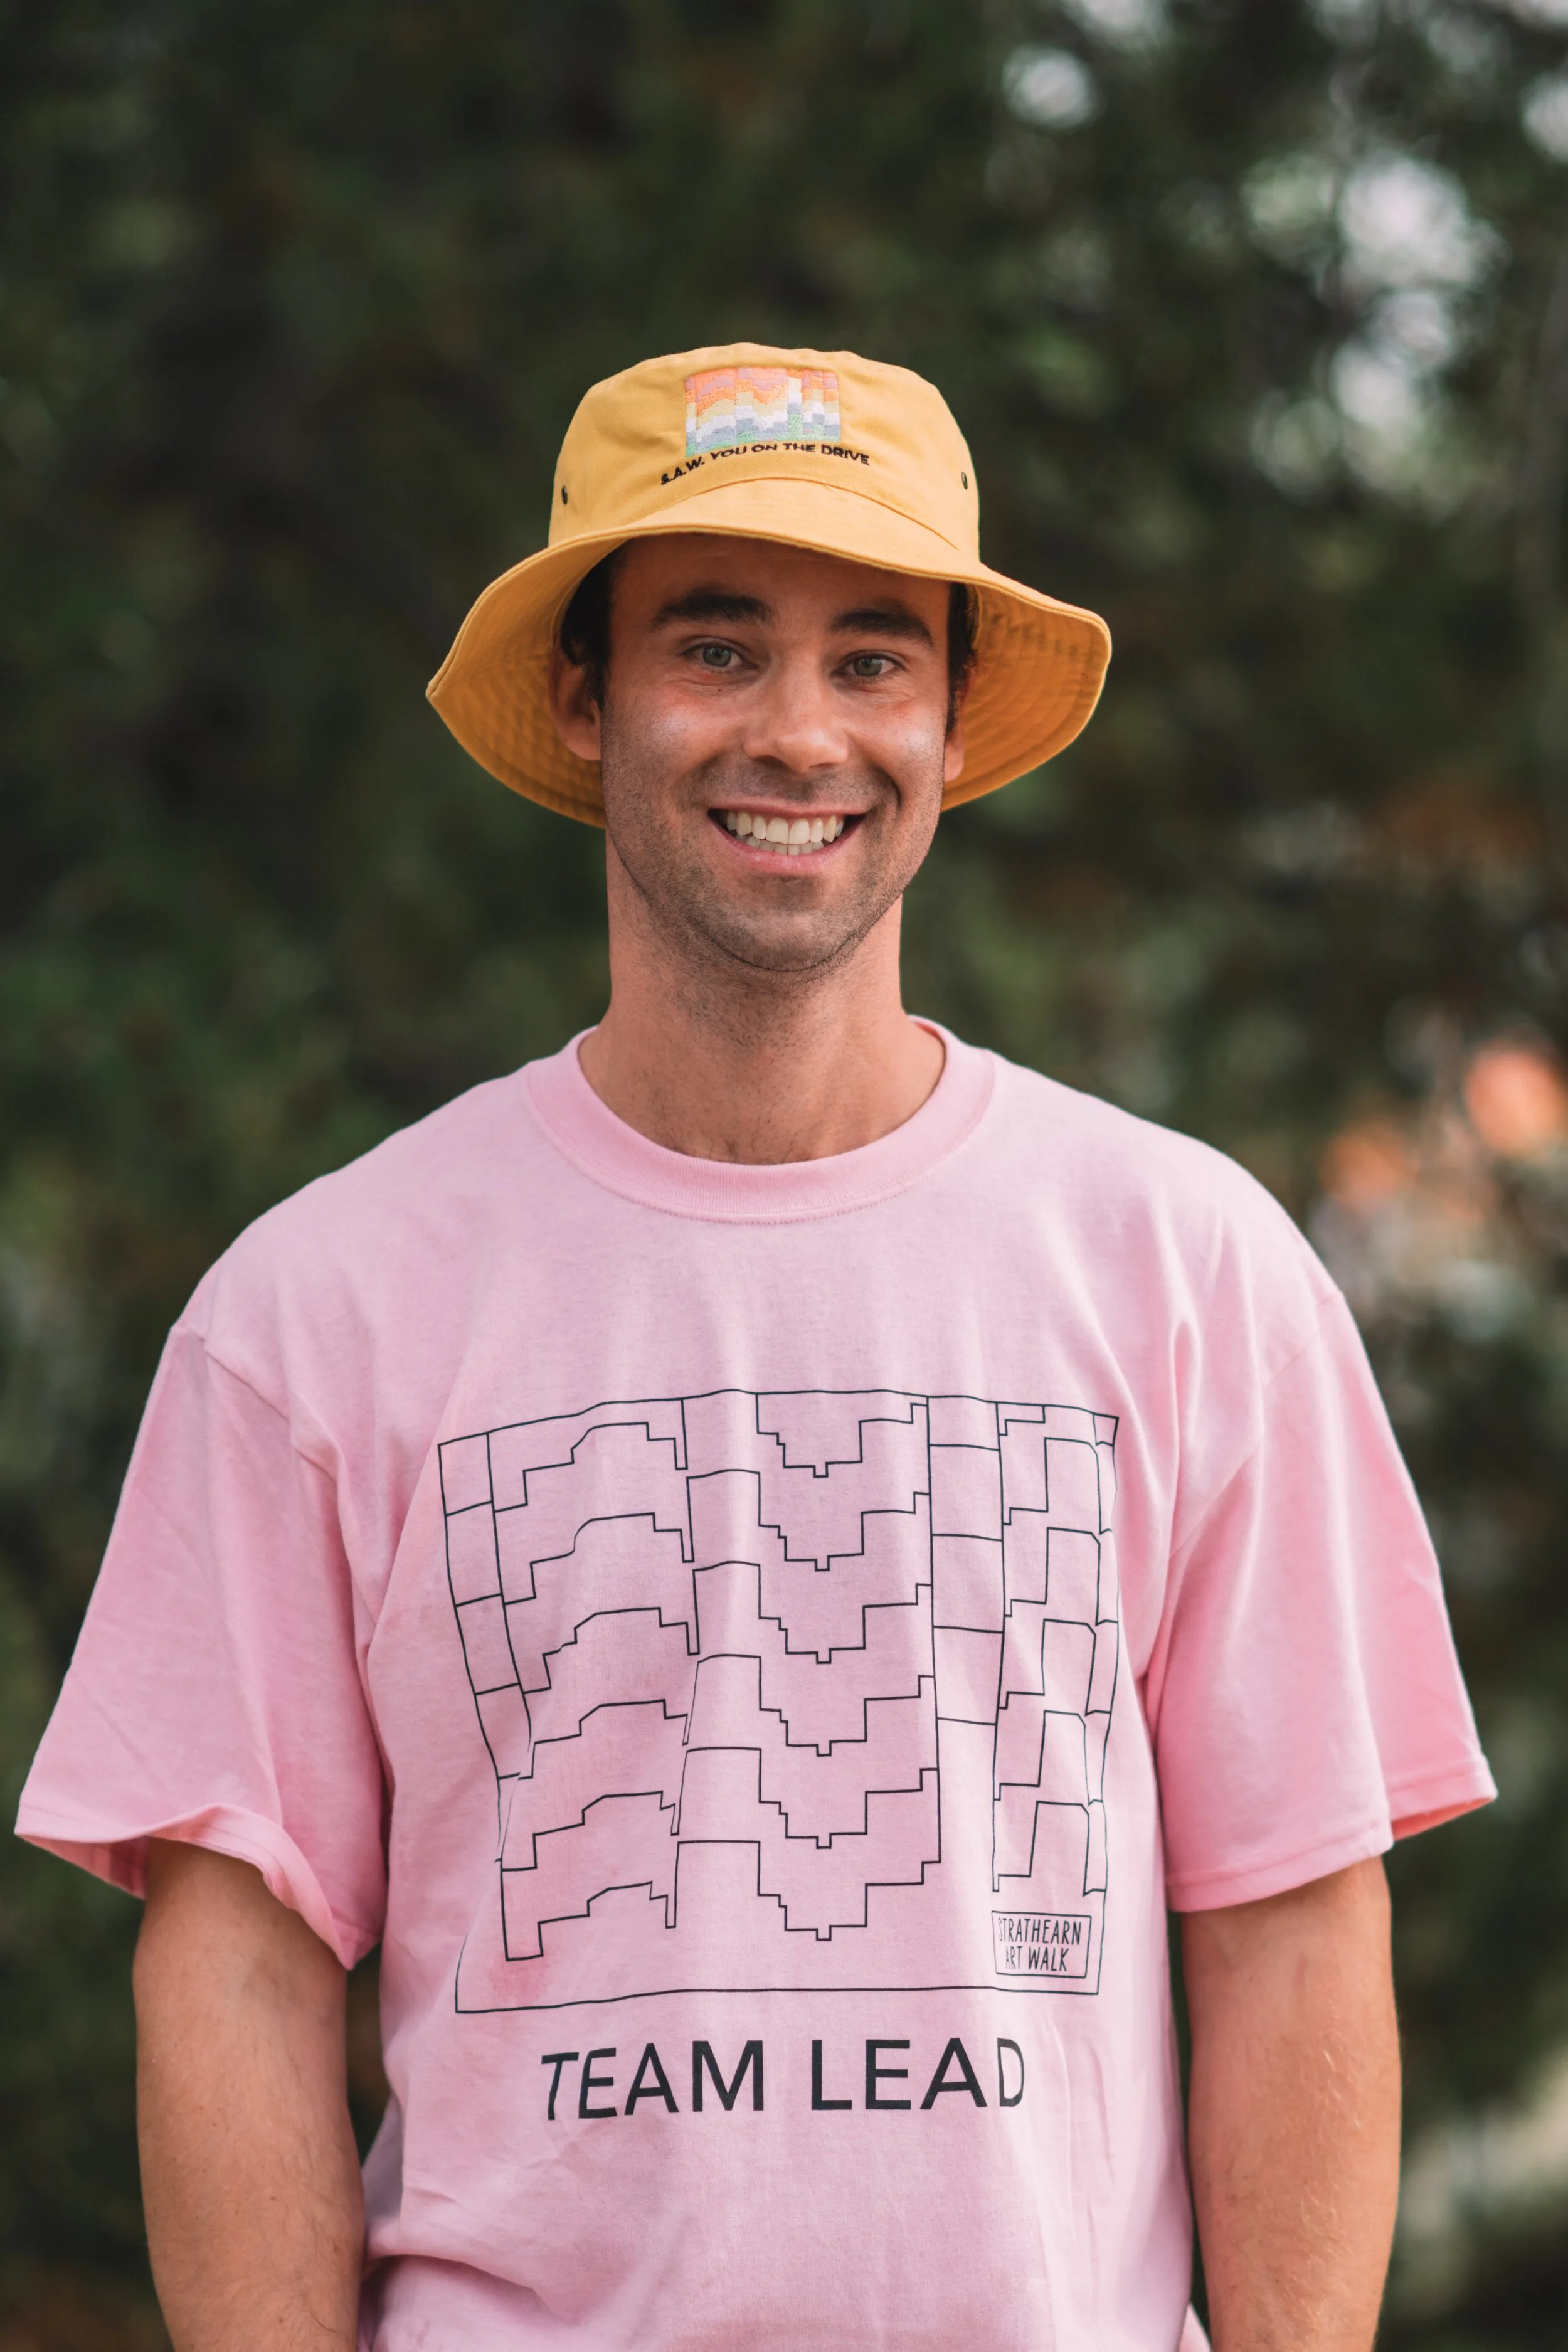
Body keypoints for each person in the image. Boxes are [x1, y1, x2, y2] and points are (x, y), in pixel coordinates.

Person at [18, 342, 1494, 2352]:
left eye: (871, 659)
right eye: (715, 648)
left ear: (948, 721)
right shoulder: (318, 1307)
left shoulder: (1187, 1267)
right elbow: (234, 1968)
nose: (798, 732)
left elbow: (1294, 1924)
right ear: (585, 698)